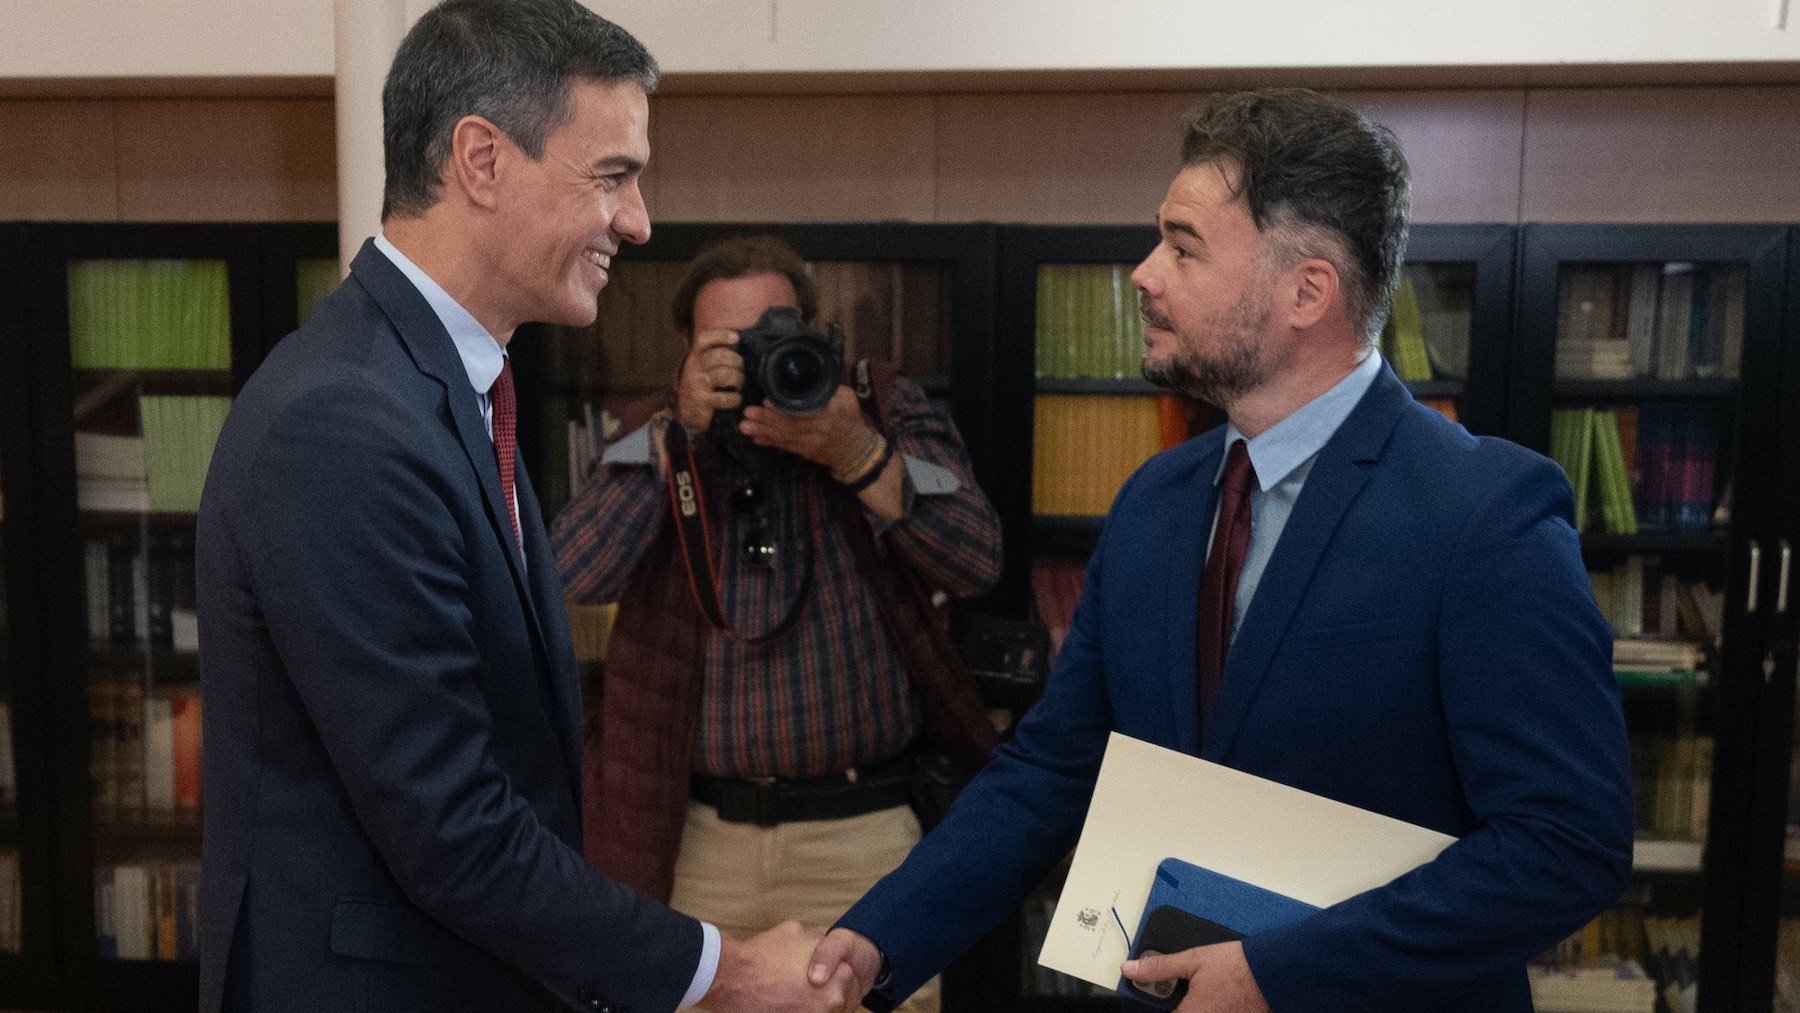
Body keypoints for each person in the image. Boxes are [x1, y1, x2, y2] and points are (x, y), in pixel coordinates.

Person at [808, 88, 1635, 1012]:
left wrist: (1278, 973)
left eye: (1183, 245)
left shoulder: (1485, 513)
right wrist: (872, 944)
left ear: (1307, 291)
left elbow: (1566, 844)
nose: (1143, 273)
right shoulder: (1156, 500)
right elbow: (1050, 769)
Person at [196, 3, 858, 1012]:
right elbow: (451, 826)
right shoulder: (342, 420)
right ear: (482, 160)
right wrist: (725, 971)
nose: (637, 220)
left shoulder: (437, 389)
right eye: (613, 175)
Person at [551, 235, 1003, 1013]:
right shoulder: (654, 433)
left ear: (817, 334)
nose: (759, 364)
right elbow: (570, 572)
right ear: (689, 357)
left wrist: (858, 453)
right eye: (728, 347)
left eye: (775, 337)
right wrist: (676, 437)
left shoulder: (881, 406)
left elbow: (977, 557)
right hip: (695, 843)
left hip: (863, 837)